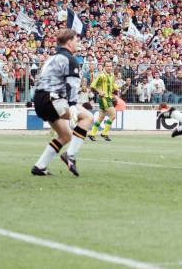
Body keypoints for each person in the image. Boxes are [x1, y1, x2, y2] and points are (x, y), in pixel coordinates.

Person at [31, 29, 93, 177]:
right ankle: (70, 155)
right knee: (88, 117)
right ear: (70, 42)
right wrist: (72, 105)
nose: (78, 43)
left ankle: (40, 166)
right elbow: (72, 85)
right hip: (52, 99)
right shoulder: (70, 59)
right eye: (77, 40)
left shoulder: (52, 58)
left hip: (40, 100)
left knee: (65, 135)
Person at [88, 61, 119, 141]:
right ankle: (104, 133)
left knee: (101, 117)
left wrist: (116, 88)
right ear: (104, 67)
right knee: (113, 115)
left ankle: (92, 133)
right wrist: (99, 92)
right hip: (104, 98)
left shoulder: (112, 75)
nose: (109, 67)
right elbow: (92, 86)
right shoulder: (101, 75)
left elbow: (112, 85)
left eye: (110, 66)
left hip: (109, 97)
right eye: (107, 66)